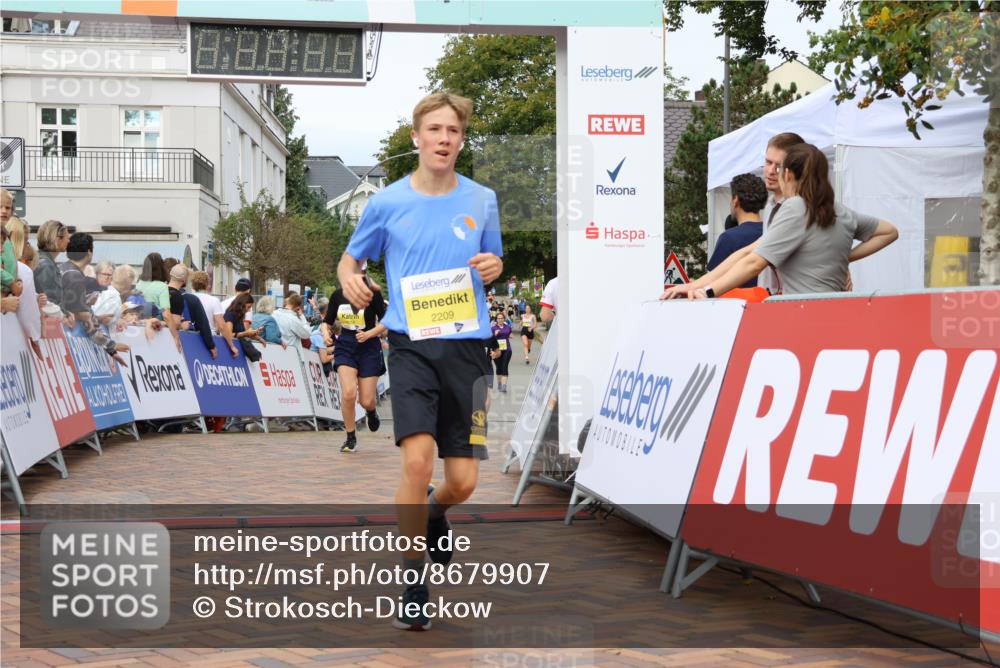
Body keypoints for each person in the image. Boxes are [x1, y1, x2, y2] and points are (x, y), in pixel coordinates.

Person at [336, 91, 503, 631]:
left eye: (453, 131)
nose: (444, 140)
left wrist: (494, 265)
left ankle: (435, 511)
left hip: (467, 348)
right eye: (434, 130)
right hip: (409, 343)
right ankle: (413, 579)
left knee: (463, 482)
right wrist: (350, 280)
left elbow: (494, 259)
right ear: (417, 137)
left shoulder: (482, 200)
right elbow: (349, 258)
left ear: (461, 139)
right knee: (416, 461)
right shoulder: (386, 202)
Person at [662, 143, 898, 299]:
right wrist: (843, 255)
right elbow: (889, 232)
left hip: (801, 315)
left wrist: (708, 292)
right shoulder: (839, 210)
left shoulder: (795, 207)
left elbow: (754, 262)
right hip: (838, 308)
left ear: (789, 174)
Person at [325, 273, 388, 453]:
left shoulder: (373, 295)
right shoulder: (338, 295)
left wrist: (369, 333)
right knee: (348, 393)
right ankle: (350, 437)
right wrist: (325, 333)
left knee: (366, 400)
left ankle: (371, 411)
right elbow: (326, 321)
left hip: (369, 347)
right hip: (345, 346)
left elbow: (386, 322)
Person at [59, 232, 129, 362]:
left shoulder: (63, 268)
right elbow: (84, 316)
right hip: (63, 340)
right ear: (89, 252)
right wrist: (110, 346)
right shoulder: (74, 276)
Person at [706, 173, 768, 287]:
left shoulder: (728, 239)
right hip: (770, 302)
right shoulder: (773, 233)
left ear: (735, 200)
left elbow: (711, 282)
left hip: (737, 302)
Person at [5, 217, 43, 355]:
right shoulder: (22, 270)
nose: (28, 246)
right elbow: (28, 311)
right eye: (26, 241)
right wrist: (36, 336)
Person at [33, 220, 70, 312]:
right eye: (67, 237)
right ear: (57, 239)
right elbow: (51, 300)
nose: (69, 241)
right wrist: (65, 314)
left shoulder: (42, 261)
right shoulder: (46, 265)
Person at [223, 293, 261, 360]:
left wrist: (255, 335)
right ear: (242, 304)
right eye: (248, 307)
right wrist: (246, 333)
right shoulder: (230, 315)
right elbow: (228, 334)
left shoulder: (239, 316)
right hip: (231, 351)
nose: (249, 310)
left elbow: (240, 333)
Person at [490, 311, 513, 393]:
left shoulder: (508, 327)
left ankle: (504, 386)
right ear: (496, 320)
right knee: (498, 368)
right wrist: (494, 335)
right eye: (498, 318)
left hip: (507, 350)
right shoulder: (493, 329)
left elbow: (509, 334)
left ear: (504, 319)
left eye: (501, 318)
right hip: (496, 350)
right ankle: (499, 383)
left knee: (504, 366)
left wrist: (510, 336)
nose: (500, 320)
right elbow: (489, 340)